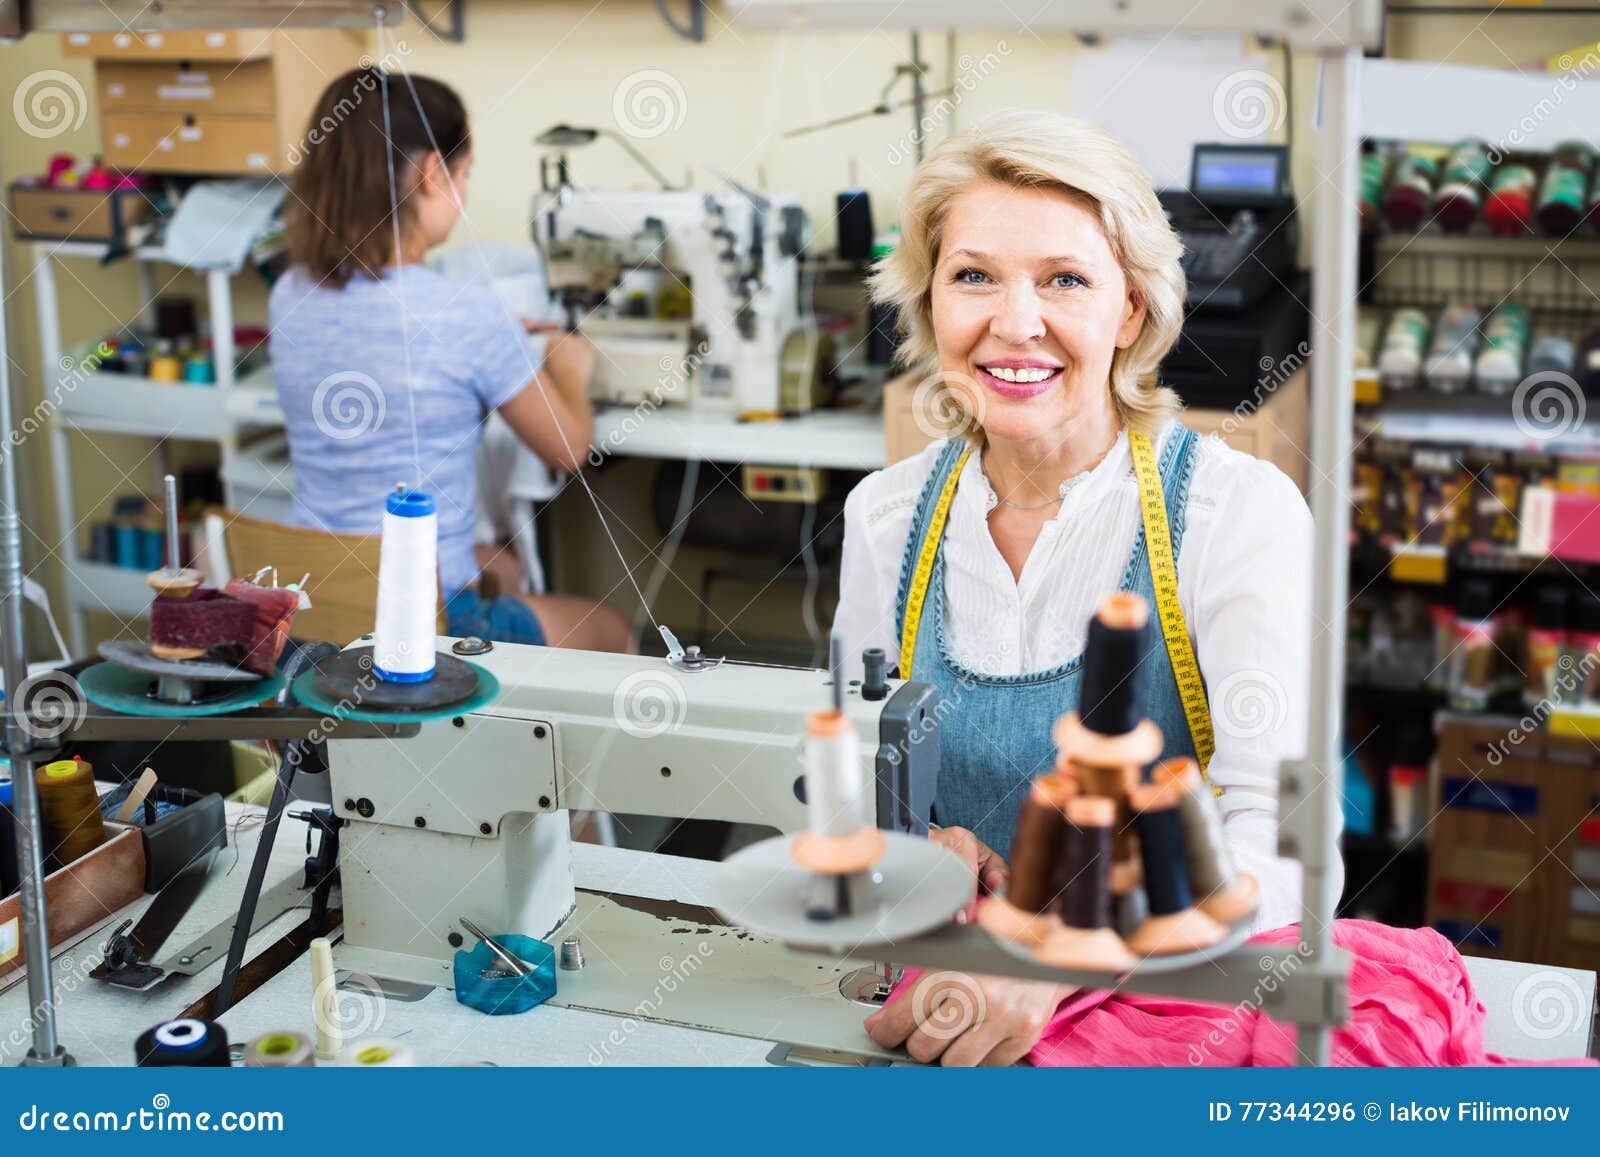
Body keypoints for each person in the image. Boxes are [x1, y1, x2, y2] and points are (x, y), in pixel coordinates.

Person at [833, 109, 1333, 1065]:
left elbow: (1291, 850)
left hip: (1158, 1031)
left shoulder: (1234, 514)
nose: (1014, 322)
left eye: (1065, 279)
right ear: (930, 299)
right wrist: (911, 849)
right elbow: (853, 790)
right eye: (972, 275)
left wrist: (1073, 947)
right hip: (942, 1015)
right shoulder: (885, 517)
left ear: (1131, 310)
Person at [270, 68, 631, 652]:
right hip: (412, 625)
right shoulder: (467, 314)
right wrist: (569, 372)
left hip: (309, 608)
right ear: (434, 174)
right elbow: (569, 450)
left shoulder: (290, 292)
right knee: (610, 630)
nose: (465, 194)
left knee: (504, 567)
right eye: (463, 175)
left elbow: (388, 337)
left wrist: (491, 341)